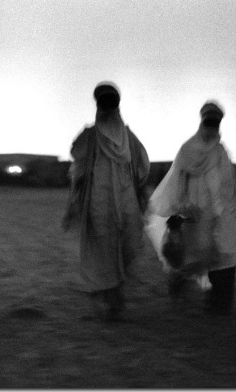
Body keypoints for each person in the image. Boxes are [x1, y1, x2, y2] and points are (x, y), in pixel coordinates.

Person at [147, 101, 236, 315]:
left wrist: (230, 209)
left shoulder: (219, 151)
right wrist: (179, 208)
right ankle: (184, 287)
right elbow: (177, 182)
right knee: (195, 259)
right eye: (209, 122)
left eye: (215, 123)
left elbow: (226, 184)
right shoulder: (188, 150)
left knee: (222, 257)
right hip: (195, 215)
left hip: (219, 213)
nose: (212, 127)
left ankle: (219, 305)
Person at [62, 82, 150, 321]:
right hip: (99, 203)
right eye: (105, 103)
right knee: (107, 251)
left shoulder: (129, 137)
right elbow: (78, 168)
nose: (108, 108)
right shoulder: (89, 137)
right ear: (99, 106)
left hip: (126, 200)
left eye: (111, 103)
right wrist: (74, 204)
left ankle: (107, 292)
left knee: (129, 246)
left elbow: (141, 167)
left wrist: (141, 195)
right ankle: (113, 302)